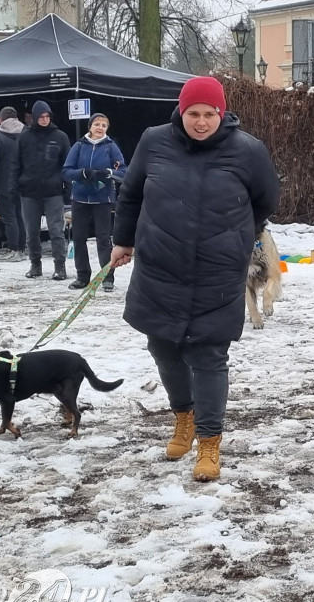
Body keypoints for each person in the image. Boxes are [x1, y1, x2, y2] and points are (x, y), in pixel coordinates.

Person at [110, 77, 279, 482]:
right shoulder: (154, 141)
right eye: (193, 114)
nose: (201, 122)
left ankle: (208, 441)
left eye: (209, 114)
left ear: (222, 114)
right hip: (160, 266)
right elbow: (131, 194)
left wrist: (236, 236)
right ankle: (183, 417)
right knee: (163, 346)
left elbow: (266, 200)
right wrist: (123, 241)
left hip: (217, 270)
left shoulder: (248, 150)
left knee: (208, 354)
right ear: (180, 112)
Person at [61, 113, 126, 292]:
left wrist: (109, 173)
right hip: (80, 199)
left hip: (102, 200)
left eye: (104, 125)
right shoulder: (79, 146)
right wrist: (81, 173)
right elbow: (66, 171)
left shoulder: (111, 146)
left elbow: (123, 171)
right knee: (79, 237)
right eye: (97, 124)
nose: (100, 128)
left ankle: (107, 277)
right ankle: (82, 277)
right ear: (90, 126)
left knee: (103, 239)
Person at [18, 101, 70, 280]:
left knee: (56, 231)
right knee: (31, 232)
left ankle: (60, 267)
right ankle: (35, 265)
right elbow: (16, 163)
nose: (44, 119)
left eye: (47, 116)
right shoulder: (24, 137)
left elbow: (67, 165)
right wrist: (16, 184)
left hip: (53, 191)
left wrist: (68, 189)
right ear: (34, 117)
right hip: (29, 191)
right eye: (41, 116)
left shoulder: (61, 137)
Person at [0, 106, 27, 262]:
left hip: (4, 184)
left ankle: (13, 249)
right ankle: (21, 249)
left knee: (9, 217)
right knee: (19, 216)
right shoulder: (26, 136)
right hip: (23, 184)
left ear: (0, 120)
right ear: (17, 119)